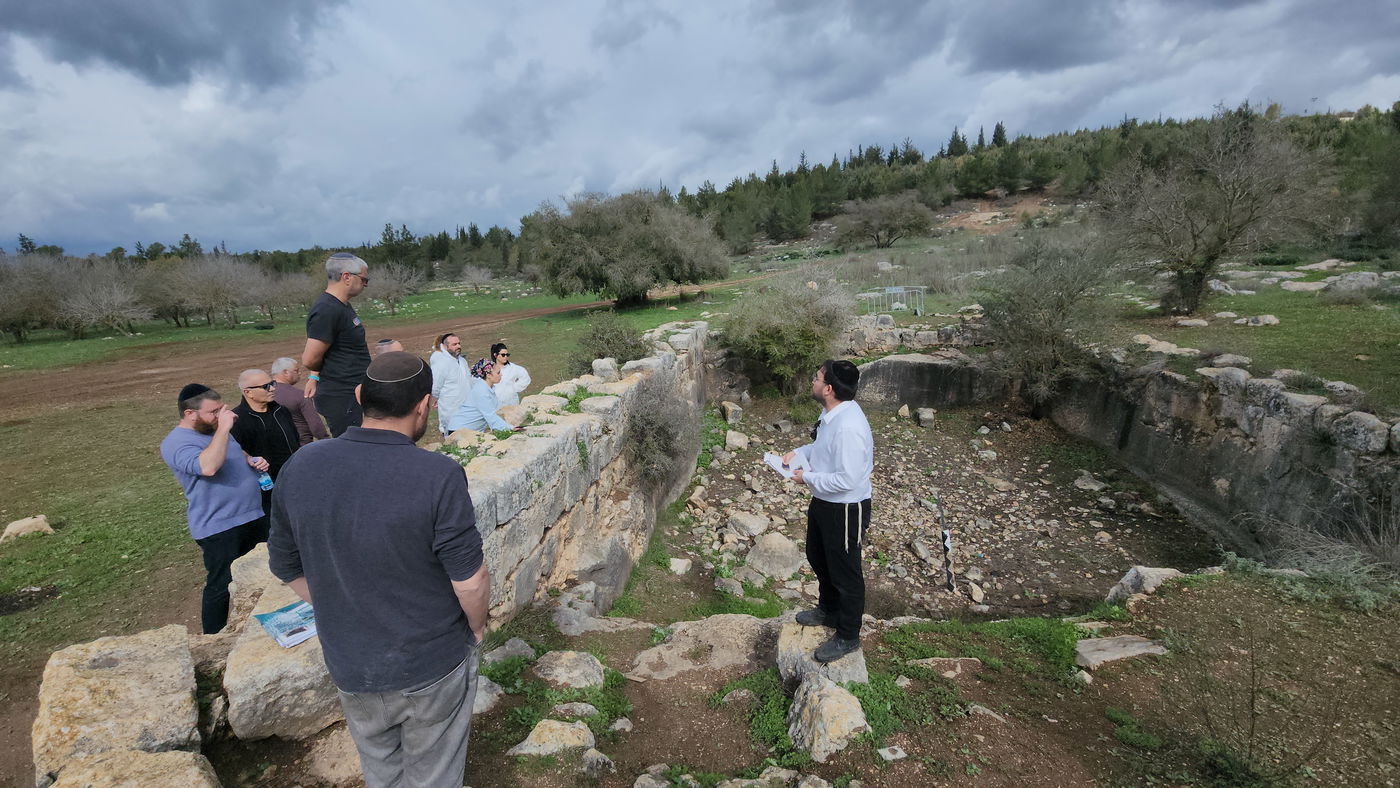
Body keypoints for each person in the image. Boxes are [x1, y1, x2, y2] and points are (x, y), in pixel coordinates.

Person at [268, 352, 490, 788]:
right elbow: (470, 579)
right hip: (431, 662)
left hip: (352, 664)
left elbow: (286, 565)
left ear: (358, 395)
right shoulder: (438, 474)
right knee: (434, 774)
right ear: (425, 405)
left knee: (381, 770)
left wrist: (343, 605)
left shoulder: (302, 465)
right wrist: (477, 630)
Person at [781, 360, 874, 664]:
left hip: (845, 507)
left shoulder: (849, 428)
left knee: (846, 572)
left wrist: (805, 477)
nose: (812, 381)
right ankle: (829, 610)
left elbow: (848, 479)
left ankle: (848, 635)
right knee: (818, 556)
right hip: (825, 501)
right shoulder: (832, 413)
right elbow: (822, 450)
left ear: (829, 389)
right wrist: (800, 453)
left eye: (816, 378)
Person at [159, 384, 269, 634]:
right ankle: (213, 639)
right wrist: (224, 428)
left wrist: (250, 459)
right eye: (213, 411)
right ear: (190, 414)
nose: (220, 415)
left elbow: (236, 451)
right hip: (220, 527)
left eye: (221, 409)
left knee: (265, 574)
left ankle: (261, 626)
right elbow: (207, 466)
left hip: (254, 515)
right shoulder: (175, 443)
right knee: (221, 585)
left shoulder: (215, 429)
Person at [302, 252, 372, 437]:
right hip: (342, 397)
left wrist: (314, 376)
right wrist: (316, 374)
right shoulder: (327, 310)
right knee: (353, 448)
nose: (365, 284)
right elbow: (309, 359)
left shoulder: (341, 305)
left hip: (352, 392)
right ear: (347, 277)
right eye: (364, 279)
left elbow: (327, 347)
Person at [230, 369, 301, 518]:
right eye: (266, 386)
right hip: (265, 491)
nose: (273, 388)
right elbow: (235, 454)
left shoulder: (282, 411)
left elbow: (295, 440)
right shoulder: (237, 420)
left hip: (294, 481)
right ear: (248, 392)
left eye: (272, 383)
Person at [445, 360, 519, 435]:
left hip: (470, 430)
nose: (501, 375)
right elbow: (490, 415)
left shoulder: (488, 388)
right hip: (458, 430)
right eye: (498, 373)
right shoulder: (481, 391)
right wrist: (509, 428)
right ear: (488, 375)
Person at [271, 356, 330, 446]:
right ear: (286, 372)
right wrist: (326, 440)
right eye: (296, 370)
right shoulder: (299, 395)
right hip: (301, 445)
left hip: (275, 446)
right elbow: (315, 426)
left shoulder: (263, 394)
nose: (299, 373)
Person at [429, 333, 471, 437]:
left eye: (459, 343)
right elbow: (435, 387)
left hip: (467, 411)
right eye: (454, 344)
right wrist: (433, 401)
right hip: (451, 412)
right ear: (445, 346)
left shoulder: (462, 361)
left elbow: (468, 380)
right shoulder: (441, 363)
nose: (458, 346)